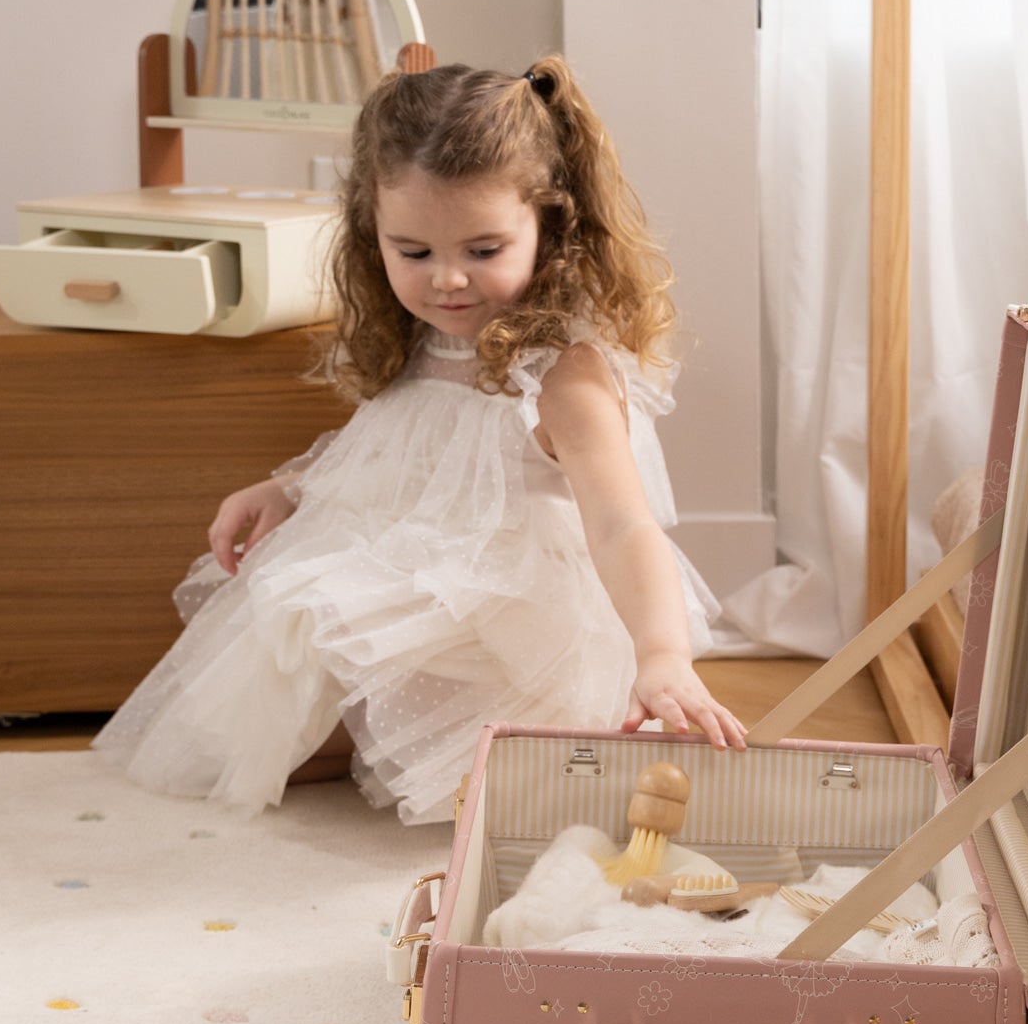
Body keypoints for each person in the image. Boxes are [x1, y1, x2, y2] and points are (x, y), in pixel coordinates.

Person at [95, 59, 746, 823]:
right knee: (266, 676)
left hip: (503, 614)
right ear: (375, 235)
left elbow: (622, 523)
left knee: (454, 756)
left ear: (551, 226)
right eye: (415, 253)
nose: (447, 282)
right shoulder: (420, 336)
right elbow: (397, 450)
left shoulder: (563, 375)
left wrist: (661, 652)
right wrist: (289, 489)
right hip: (408, 560)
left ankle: (434, 743)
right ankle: (366, 740)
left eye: (483, 250)